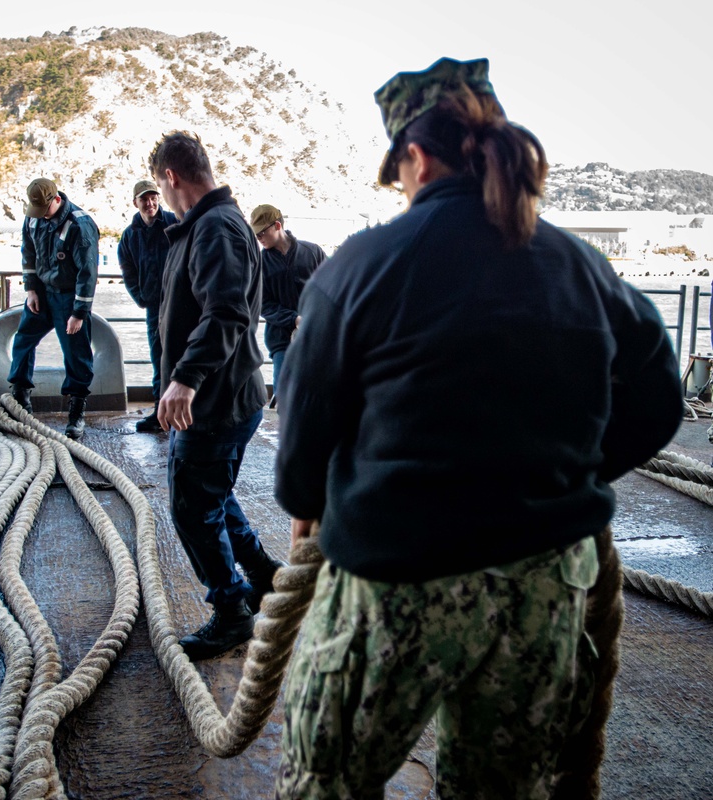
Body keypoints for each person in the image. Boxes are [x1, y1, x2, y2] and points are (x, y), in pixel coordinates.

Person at [273, 57, 682, 799]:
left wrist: (318, 505)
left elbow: (301, 449)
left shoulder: (362, 265)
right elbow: (659, 402)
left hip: (396, 585)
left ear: (416, 157)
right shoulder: (580, 266)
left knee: (325, 783)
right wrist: (571, 477)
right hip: (542, 588)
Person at [149, 130, 284, 660]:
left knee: (190, 505)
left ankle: (231, 611)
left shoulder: (216, 229)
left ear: (172, 177)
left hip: (216, 403)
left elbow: (225, 311)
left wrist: (185, 379)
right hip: (228, 396)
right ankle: (263, 574)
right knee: (215, 494)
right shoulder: (210, 225)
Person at [7, 177, 99, 440]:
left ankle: (76, 412)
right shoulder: (33, 218)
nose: (41, 216)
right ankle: (21, 397)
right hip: (43, 293)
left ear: (56, 199)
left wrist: (79, 313)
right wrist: (31, 289)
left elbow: (87, 272)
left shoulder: (80, 225)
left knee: (76, 353)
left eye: (45, 209)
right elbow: (28, 252)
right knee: (23, 339)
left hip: (69, 297)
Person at [248, 204, 326, 404]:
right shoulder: (260, 264)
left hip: (316, 336)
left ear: (277, 226)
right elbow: (264, 305)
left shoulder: (312, 252)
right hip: (281, 341)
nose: (259, 239)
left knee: (318, 396)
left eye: (261, 233)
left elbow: (330, 289)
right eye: (256, 235)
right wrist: (294, 319)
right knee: (285, 397)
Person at [117, 179, 177, 432]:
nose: (150, 202)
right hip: (154, 305)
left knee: (185, 354)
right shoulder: (130, 234)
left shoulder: (175, 222)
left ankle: (190, 410)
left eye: (153, 197)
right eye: (144, 199)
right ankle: (160, 411)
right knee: (159, 358)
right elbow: (127, 269)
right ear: (136, 202)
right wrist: (140, 297)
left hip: (180, 301)